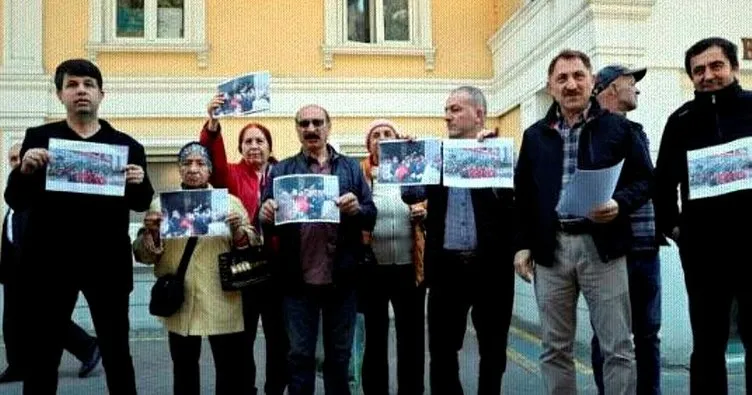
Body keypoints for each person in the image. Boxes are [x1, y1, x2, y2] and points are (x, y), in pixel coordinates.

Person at [4, 58, 154, 394]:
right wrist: (24, 171)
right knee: (42, 357)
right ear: (59, 95)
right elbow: (16, 199)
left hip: (107, 266)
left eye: (88, 84)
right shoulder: (40, 138)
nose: (81, 91)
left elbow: (141, 202)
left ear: (102, 94)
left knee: (117, 353)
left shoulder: (126, 146)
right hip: (49, 266)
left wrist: (140, 181)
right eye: (72, 85)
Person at [513, 50, 653, 395]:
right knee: (554, 347)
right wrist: (522, 244)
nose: (571, 84)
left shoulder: (618, 128)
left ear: (592, 82)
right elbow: (524, 196)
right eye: (562, 78)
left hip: (603, 247)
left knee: (618, 346)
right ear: (550, 87)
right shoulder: (534, 136)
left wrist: (619, 204)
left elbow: (647, 179)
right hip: (552, 249)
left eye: (578, 76)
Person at [401, 86, 516, 395]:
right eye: (447, 109)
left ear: (479, 114)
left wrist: (496, 160)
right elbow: (410, 195)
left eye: (455, 109)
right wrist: (411, 161)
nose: (447, 115)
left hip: (491, 269)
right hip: (446, 270)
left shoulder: (499, 153)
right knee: (441, 351)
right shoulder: (435, 158)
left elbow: (514, 202)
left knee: (493, 350)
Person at [654, 37, 752, 395]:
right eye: (699, 70)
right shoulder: (680, 121)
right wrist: (677, 229)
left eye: (716, 66)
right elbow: (662, 183)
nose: (708, 75)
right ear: (691, 77)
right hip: (704, 254)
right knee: (708, 344)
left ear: (733, 67)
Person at [259, 104, 377, 395]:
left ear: (329, 126)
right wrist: (265, 213)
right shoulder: (282, 170)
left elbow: (371, 214)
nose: (311, 129)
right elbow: (264, 222)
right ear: (297, 128)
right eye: (304, 123)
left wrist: (356, 209)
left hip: (342, 279)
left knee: (339, 358)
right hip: (297, 282)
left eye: (317, 122)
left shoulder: (350, 167)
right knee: (300, 357)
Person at [133, 142, 257, 394]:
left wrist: (238, 231)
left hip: (222, 299)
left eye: (200, 163)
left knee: (228, 369)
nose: (193, 169)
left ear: (210, 171)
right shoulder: (160, 205)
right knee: (184, 367)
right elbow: (144, 256)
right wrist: (151, 233)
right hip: (181, 299)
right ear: (179, 169)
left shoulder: (230, 203)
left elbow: (253, 245)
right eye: (186, 163)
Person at [199, 95, 288, 395]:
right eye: (247, 141)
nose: (253, 146)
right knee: (243, 338)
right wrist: (213, 125)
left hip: (279, 267)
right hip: (244, 267)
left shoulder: (284, 174)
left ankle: (275, 388)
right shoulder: (231, 175)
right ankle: (246, 389)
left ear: (269, 146)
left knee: (280, 339)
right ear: (240, 148)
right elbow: (214, 158)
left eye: (259, 140)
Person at [0, 143, 102, 383]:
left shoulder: (45, 195)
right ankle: (17, 366)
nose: (16, 162)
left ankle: (88, 347)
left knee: (45, 319)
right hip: (12, 272)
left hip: (39, 271)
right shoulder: (15, 194)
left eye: (20, 157)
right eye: (12, 159)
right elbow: (11, 236)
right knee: (12, 321)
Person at [591, 65, 663, 395]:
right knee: (608, 336)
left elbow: (651, 183)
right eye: (631, 83)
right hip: (609, 249)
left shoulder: (637, 131)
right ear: (609, 88)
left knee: (648, 334)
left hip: (646, 247)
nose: (637, 89)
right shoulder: (590, 133)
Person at [358, 119, 427, 395]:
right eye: (377, 135)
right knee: (375, 339)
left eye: (389, 134)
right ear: (369, 144)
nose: (383, 138)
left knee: (411, 337)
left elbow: (430, 198)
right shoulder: (359, 174)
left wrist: (425, 212)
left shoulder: (411, 170)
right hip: (373, 269)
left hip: (410, 268)